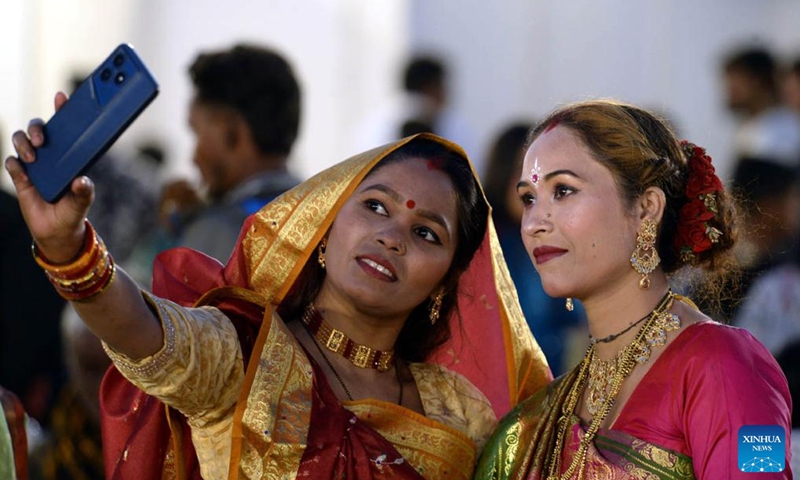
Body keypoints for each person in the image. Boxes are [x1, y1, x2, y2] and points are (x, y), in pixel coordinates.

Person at [7, 105, 551, 479]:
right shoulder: (245, 354)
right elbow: (142, 330)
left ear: (447, 282)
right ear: (324, 226)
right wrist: (69, 247)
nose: (391, 236)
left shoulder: (460, 414)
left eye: (427, 233)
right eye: (375, 206)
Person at [475, 100, 793, 478]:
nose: (534, 224)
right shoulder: (534, 421)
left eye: (563, 190)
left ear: (646, 208)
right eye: (529, 198)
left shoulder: (729, 364)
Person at [130, 43, 303, 269]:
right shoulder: (319, 221)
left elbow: (137, 302)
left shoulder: (219, 231)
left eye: (197, 132)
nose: (194, 158)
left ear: (230, 130)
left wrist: (168, 238)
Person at [482, 122, 583, 375]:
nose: (536, 184)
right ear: (504, 173)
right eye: (525, 171)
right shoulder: (486, 249)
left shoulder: (556, 240)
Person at [722, 46, 800, 168]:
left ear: (756, 82)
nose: (729, 92)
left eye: (735, 84)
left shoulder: (780, 133)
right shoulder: (750, 126)